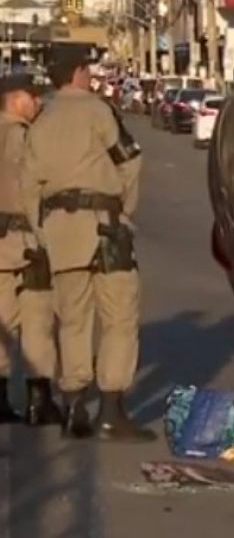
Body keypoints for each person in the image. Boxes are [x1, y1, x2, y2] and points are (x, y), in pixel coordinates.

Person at [20, 49, 155, 442]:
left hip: (60, 231)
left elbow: (31, 185)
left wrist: (44, 230)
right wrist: (124, 212)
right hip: (103, 226)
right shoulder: (99, 111)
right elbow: (129, 160)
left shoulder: (40, 121)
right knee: (118, 315)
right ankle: (111, 412)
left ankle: (75, 404)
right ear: (78, 72)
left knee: (72, 319)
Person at [0, 74, 62, 426]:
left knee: (2, 322)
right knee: (38, 319)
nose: (37, 103)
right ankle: (41, 402)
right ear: (14, 99)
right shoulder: (23, 137)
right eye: (32, 97)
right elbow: (34, 190)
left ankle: (2, 398)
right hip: (27, 243)